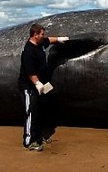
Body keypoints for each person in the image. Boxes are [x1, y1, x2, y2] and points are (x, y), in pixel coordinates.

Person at [17, 23, 69, 152]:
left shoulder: (40, 44)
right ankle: (28, 141)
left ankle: (39, 135)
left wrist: (59, 39)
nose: (43, 36)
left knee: (40, 110)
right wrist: (37, 83)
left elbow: (48, 40)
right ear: (35, 35)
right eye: (41, 34)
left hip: (41, 84)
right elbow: (30, 71)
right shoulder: (28, 51)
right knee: (30, 112)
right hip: (29, 87)